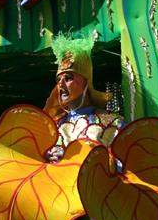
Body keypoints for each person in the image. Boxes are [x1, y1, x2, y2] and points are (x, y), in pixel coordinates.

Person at [43, 34, 124, 162]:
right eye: (58, 80)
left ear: (86, 83)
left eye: (68, 78)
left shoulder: (113, 123)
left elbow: (124, 166)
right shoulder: (52, 127)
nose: (61, 84)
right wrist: (45, 159)